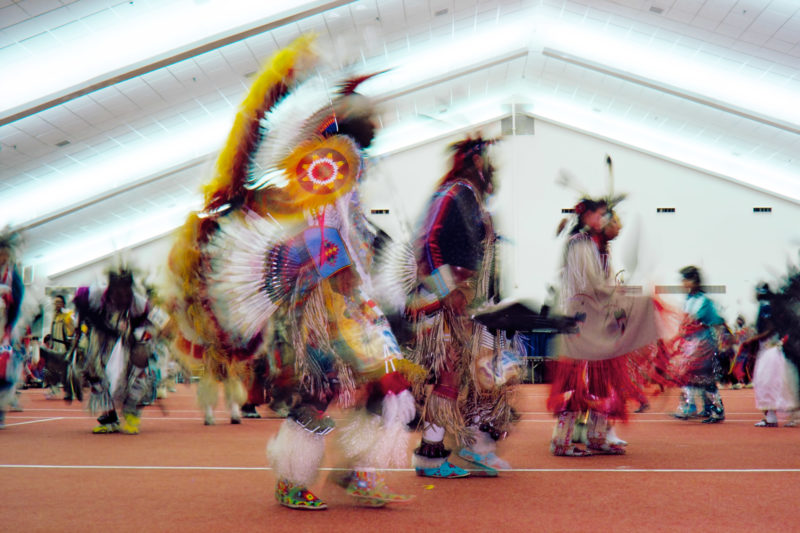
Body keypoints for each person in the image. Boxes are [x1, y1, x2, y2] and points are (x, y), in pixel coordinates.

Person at [167, 35, 418, 510]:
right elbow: (320, 231)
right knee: (321, 389)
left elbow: (348, 232)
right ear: (347, 122)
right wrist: (341, 279)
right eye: (369, 114)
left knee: (387, 378)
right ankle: (291, 478)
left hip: (352, 300)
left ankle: (356, 471)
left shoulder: (350, 167)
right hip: (321, 303)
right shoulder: (325, 164)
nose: (378, 120)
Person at [405, 136, 518, 478]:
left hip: (476, 304)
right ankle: (430, 457)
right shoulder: (453, 194)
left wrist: (493, 300)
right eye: (488, 161)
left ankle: (477, 446)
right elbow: (428, 242)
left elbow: (484, 256)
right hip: (447, 304)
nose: (493, 168)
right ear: (475, 163)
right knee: (449, 376)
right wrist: (448, 290)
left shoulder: (472, 200)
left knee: (487, 375)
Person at [547, 195, 671, 456]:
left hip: (597, 323)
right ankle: (562, 441)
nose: (607, 221)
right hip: (581, 323)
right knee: (576, 384)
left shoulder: (598, 246)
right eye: (601, 215)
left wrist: (617, 297)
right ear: (587, 217)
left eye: (607, 215)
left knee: (601, 383)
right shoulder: (580, 245)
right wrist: (618, 296)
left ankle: (597, 436)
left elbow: (601, 286)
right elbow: (590, 286)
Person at [73, 268, 158, 434]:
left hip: (130, 337)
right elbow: (81, 301)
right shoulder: (97, 295)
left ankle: (131, 413)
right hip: (103, 337)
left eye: (125, 290)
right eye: (117, 290)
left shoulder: (138, 302)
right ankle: (109, 417)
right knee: (95, 372)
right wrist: (79, 330)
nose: (121, 294)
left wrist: (145, 341)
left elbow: (158, 320)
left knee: (136, 374)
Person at [669, 266, 726, 423]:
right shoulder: (688, 301)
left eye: (685, 280)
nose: (683, 283)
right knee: (688, 376)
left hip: (704, 345)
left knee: (705, 378)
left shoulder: (705, 302)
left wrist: (720, 344)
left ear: (694, 281)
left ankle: (716, 410)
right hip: (690, 345)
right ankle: (690, 407)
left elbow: (716, 322)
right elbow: (685, 324)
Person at [745, 284, 799, 427]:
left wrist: (754, 339)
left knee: (770, 382)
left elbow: (771, 328)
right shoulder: (771, 306)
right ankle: (772, 417)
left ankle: (786, 416)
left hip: (772, 347)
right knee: (771, 382)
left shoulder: (766, 307)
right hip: (770, 347)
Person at [0, 230, 25, 429]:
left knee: (4, 370)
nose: (2, 257)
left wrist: (8, 328)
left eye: (5, 254)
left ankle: (0, 410)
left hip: (6, 328)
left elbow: (17, 303)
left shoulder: (12, 277)